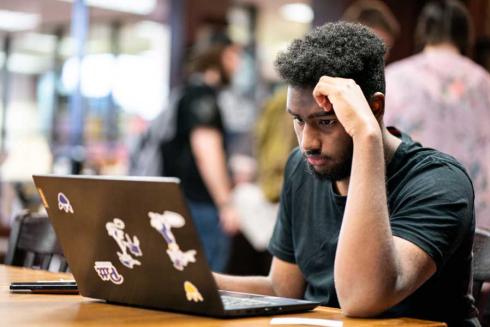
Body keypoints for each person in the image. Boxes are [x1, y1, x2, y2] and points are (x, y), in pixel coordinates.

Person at [214, 21, 478, 326]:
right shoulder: (302, 169)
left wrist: (367, 135)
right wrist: (194, 282)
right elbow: (282, 289)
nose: (308, 143)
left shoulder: (440, 182)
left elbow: (362, 297)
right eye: (299, 120)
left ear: (374, 107)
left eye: (326, 122)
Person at [384, 0, 490, 231]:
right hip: (473, 206)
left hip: (410, 201)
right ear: (465, 34)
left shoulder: (395, 77)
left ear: (423, 30)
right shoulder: (482, 81)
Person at [163, 36, 241, 272]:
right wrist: (226, 204)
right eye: (234, 56)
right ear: (220, 57)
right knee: (207, 280)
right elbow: (207, 151)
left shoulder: (187, 92)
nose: (237, 64)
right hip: (200, 203)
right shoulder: (202, 97)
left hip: (182, 199)